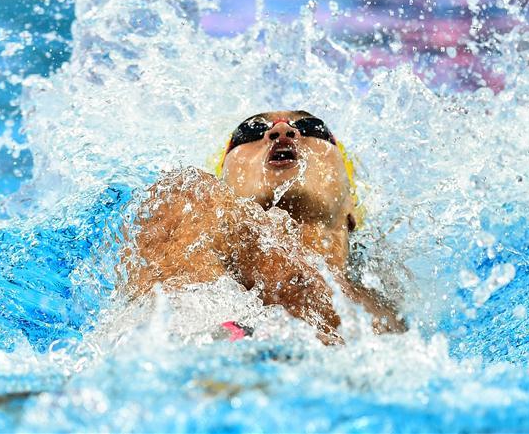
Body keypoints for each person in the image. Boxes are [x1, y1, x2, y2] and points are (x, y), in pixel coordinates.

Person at [121, 110, 405, 343]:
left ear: (351, 205)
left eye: (312, 127)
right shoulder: (189, 205)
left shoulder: (389, 312)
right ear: (224, 184)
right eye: (251, 131)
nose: (282, 131)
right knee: (184, 192)